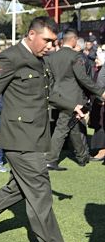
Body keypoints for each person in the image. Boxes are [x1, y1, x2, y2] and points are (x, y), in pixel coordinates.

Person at [0, 17, 83, 242]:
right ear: (32, 34)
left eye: (54, 41)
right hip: (19, 141)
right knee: (40, 197)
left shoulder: (40, 60)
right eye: (48, 40)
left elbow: (47, 93)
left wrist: (71, 105)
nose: (51, 46)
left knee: (17, 190)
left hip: (35, 138)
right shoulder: (10, 57)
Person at [45, 28, 105, 170]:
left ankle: (82, 156)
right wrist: (100, 92)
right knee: (62, 128)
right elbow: (83, 78)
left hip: (56, 97)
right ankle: (51, 159)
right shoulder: (75, 56)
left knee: (72, 126)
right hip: (72, 99)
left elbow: (51, 78)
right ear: (73, 40)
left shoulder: (51, 57)